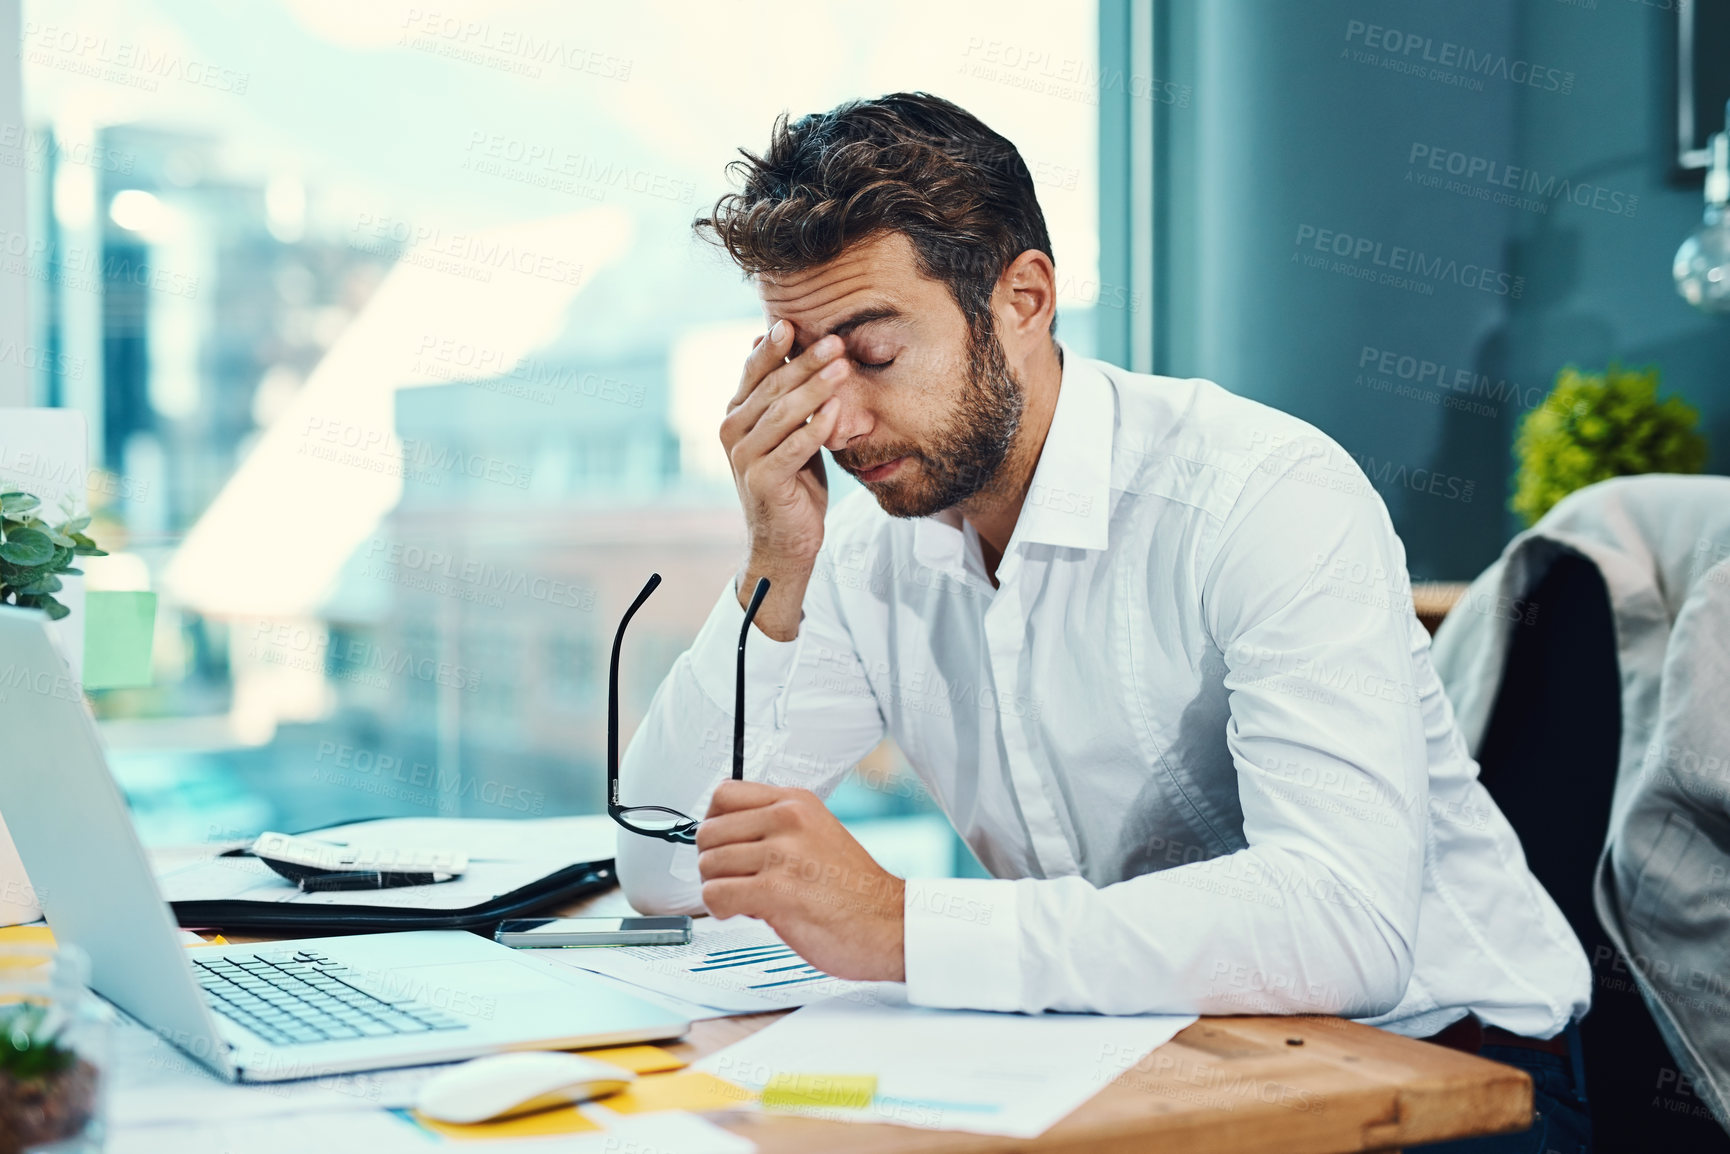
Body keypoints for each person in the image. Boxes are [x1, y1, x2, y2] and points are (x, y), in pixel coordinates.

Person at [615, 92, 1592, 1151]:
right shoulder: (859, 554)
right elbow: (665, 867)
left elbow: (1340, 921)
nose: (834, 420)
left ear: (1022, 298)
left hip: (1451, 1063)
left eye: (874, 351)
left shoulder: (1264, 493)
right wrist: (775, 564)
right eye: (800, 362)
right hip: (1146, 1047)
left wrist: (903, 926)